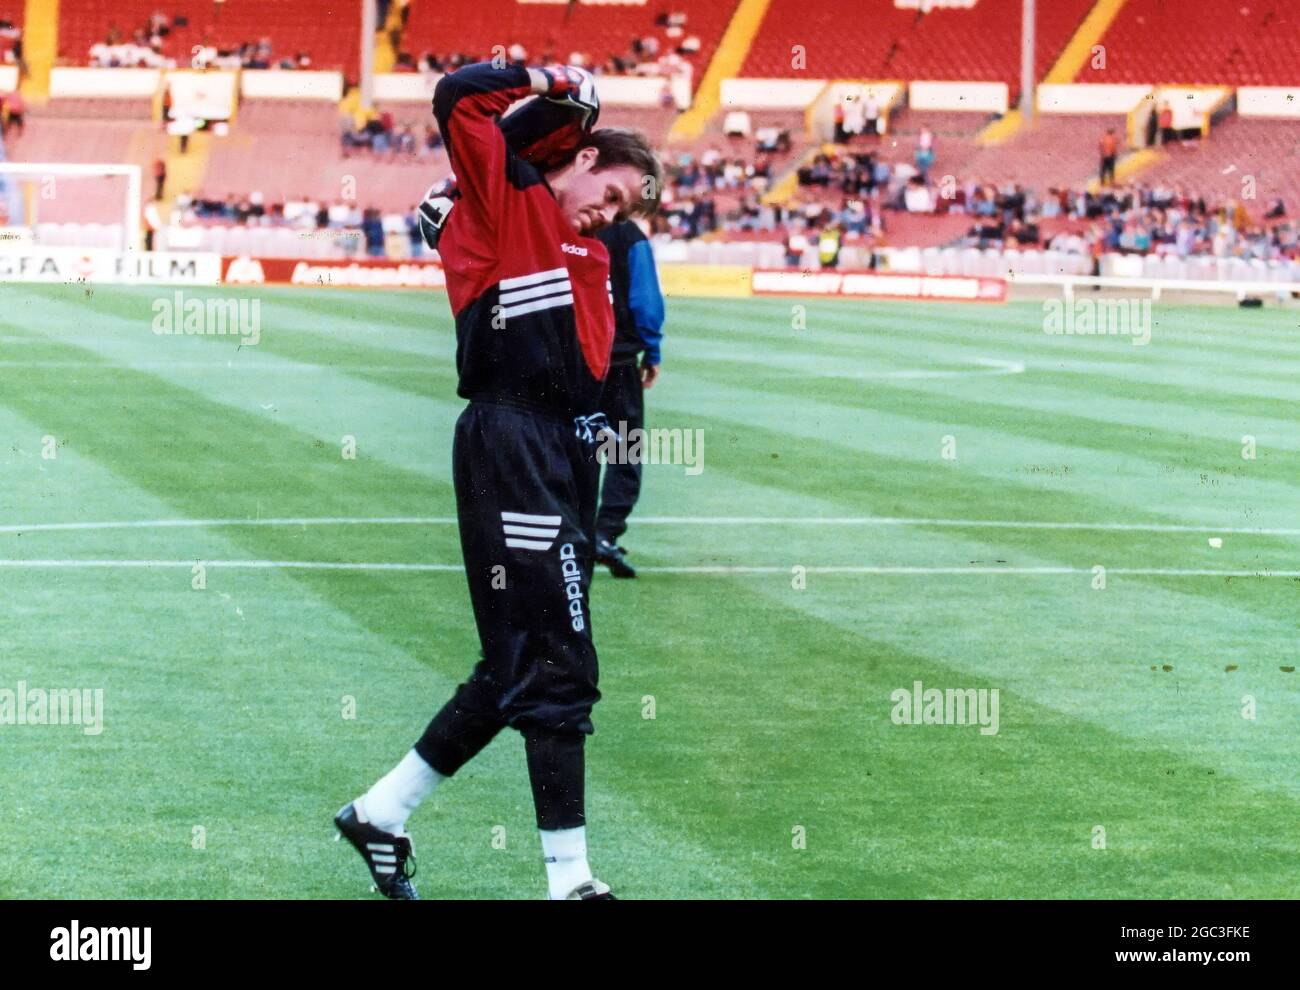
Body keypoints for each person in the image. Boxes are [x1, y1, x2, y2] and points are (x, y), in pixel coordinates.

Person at [335, 61, 661, 901]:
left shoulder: (586, 252)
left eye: (624, 213)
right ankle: (572, 884)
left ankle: (380, 813)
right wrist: (546, 80)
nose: (609, 216)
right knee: (561, 663)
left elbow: (589, 370)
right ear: (582, 159)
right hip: (510, 442)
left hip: (560, 455)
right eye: (612, 193)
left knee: (516, 660)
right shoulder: (504, 203)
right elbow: (459, 100)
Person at [592, 218, 665, 579]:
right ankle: (604, 533)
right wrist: (652, 352)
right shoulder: (629, 235)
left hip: (575, 359)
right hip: (619, 361)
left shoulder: (568, 220)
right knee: (624, 450)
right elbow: (645, 299)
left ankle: (571, 535)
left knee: (578, 447)